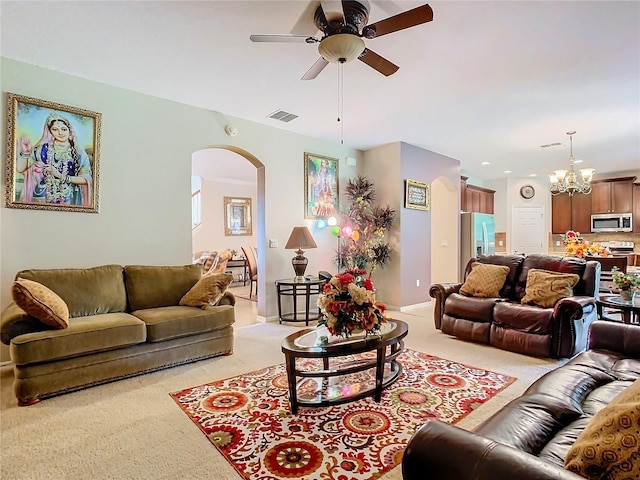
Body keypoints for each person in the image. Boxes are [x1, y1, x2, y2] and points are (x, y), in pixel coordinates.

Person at [16, 112, 93, 206]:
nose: (60, 133)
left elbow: (87, 179)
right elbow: (20, 169)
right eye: (55, 129)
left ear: (70, 130)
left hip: (68, 196)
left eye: (64, 129)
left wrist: (60, 176)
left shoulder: (78, 152)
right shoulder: (41, 149)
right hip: (42, 194)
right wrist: (26, 152)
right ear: (50, 131)